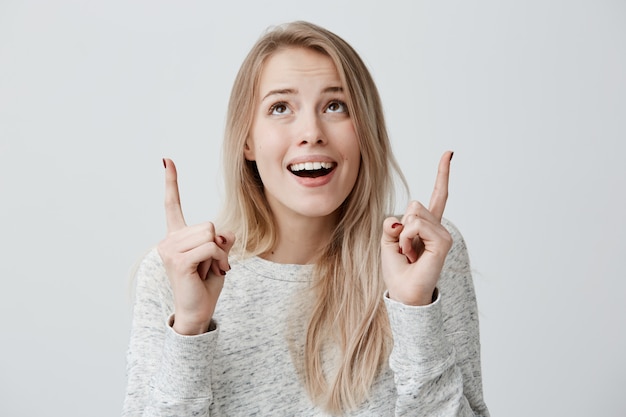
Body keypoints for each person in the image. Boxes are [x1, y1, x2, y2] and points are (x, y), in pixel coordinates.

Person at [123, 21, 489, 417]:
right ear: (247, 140)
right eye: (280, 107)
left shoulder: (423, 254)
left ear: (366, 130)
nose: (311, 132)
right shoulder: (176, 274)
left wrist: (415, 309)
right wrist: (190, 329)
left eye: (335, 106)